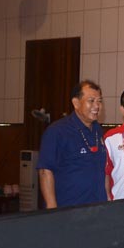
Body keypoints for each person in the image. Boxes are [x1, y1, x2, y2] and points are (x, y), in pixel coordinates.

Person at [37, 80, 107, 208]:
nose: (97, 106)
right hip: (69, 210)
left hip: (98, 209)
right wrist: (51, 207)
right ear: (76, 103)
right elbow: (45, 171)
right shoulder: (57, 131)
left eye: (99, 101)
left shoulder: (98, 130)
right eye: (91, 101)